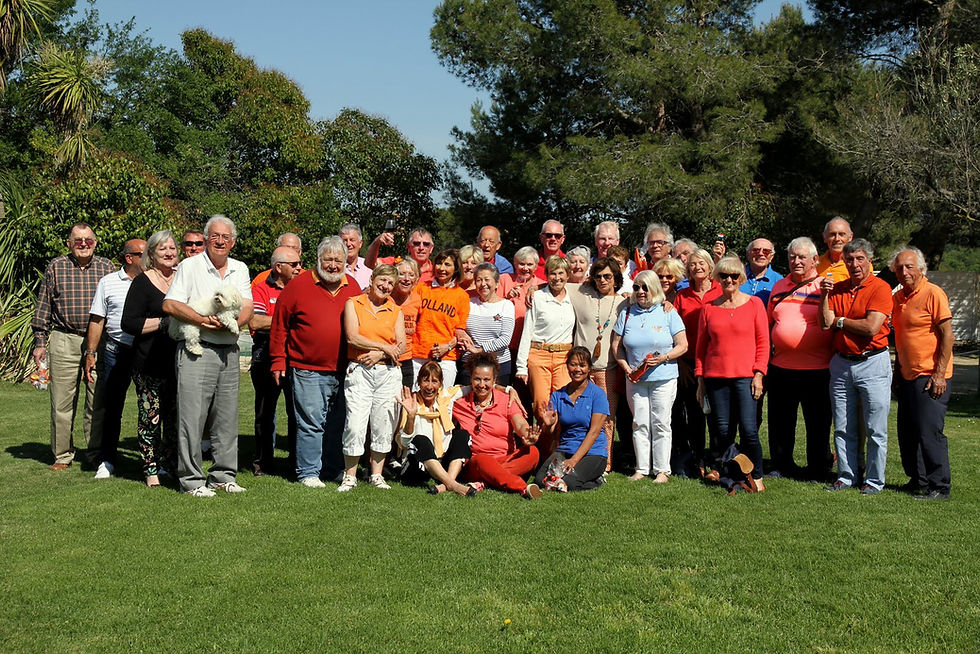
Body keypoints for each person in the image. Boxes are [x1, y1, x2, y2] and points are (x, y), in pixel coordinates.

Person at [163, 215, 254, 496]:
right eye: (214, 236)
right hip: (197, 350)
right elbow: (170, 304)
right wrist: (201, 321)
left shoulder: (240, 269)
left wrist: (235, 324)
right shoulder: (190, 266)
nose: (220, 241)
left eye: (225, 237)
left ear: (233, 241)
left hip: (229, 348)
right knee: (192, 418)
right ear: (206, 239)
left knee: (226, 418)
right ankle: (191, 481)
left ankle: (223, 476)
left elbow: (248, 305)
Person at [270, 236, 361, 488]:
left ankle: (332, 469)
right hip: (307, 368)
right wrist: (278, 361)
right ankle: (308, 472)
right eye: (328, 259)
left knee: (336, 422)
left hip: (345, 369)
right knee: (310, 423)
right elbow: (280, 327)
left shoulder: (352, 286)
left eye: (338, 260)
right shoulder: (298, 285)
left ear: (346, 261)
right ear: (318, 260)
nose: (333, 265)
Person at [32, 222, 115, 470]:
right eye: (77, 240)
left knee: (96, 399)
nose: (83, 244)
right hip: (64, 338)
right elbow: (43, 306)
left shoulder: (106, 267)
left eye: (88, 240)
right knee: (61, 401)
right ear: (69, 243)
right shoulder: (56, 267)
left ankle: (95, 454)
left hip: (98, 340)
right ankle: (62, 455)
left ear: (95, 242)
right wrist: (39, 343)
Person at [820, 238, 892, 495]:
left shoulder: (880, 288)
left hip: (872, 362)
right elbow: (825, 323)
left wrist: (840, 320)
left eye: (860, 259)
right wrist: (825, 295)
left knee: (875, 427)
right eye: (849, 260)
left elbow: (871, 328)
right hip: (841, 363)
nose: (854, 264)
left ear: (870, 261)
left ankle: (873, 480)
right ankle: (847, 476)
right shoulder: (837, 288)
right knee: (842, 425)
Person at [695, 256, 769, 490]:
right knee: (722, 430)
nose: (729, 280)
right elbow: (701, 348)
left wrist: (759, 374)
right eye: (724, 275)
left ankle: (756, 474)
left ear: (741, 278)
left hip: (746, 377)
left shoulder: (755, 304)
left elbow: (763, 343)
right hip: (716, 378)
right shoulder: (708, 309)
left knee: (749, 429)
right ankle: (725, 470)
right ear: (717, 278)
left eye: (734, 276)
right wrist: (700, 379)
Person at [765, 237, 834, 480]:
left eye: (802, 257)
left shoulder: (824, 286)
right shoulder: (779, 287)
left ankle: (818, 467)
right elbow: (769, 322)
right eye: (792, 256)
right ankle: (781, 464)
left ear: (815, 260)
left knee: (818, 421)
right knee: (780, 421)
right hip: (782, 367)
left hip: (818, 368)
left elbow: (830, 322)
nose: (796, 261)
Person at [611, 271, 688, 483]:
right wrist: (625, 367)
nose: (640, 292)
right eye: (636, 287)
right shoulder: (626, 313)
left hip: (664, 377)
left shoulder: (668, 312)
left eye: (645, 287)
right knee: (639, 422)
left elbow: (683, 345)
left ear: (654, 288)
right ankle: (641, 468)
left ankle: (662, 470)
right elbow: (616, 346)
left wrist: (664, 357)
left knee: (661, 422)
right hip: (635, 379)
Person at [891, 246, 953, 500]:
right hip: (907, 375)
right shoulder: (898, 299)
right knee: (908, 432)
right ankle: (918, 479)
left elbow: (948, 336)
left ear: (921, 269)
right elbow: (900, 339)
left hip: (930, 375)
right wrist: (897, 373)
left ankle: (940, 486)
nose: (904, 271)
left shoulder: (933, 293)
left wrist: (939, 374)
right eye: (899, 267)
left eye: (909, 266)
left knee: (929, 432)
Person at [339, 265, 406, 492]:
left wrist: (381, 353)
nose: (385, 286)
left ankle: (376, 475)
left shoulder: (395, 310)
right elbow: (352, 336)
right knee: (355, 424)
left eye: (390, 283)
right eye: (383, 280)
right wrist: (384, 347)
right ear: (373, 278)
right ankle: (350, 475)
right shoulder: (354, 303)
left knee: (384, 424)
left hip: (387, 373)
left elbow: (402, 344)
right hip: (360, 371)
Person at [121, 230, 180, 486]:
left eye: (172, 248)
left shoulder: (183, 278)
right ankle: (151, 468)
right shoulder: (143, 282)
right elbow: (129, 323)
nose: (169, 253)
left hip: (179, 363)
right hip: (148, 363)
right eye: (162, 249)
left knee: (175, 418)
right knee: (151, 417)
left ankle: (172, 464)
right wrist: (163, 323)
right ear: (151, 255)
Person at [85, 238, 146, 479]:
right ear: (129, 257)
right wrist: (90, 353)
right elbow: (97, 319)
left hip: (145, 351)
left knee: (150, 409)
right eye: (144, 253)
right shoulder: (108, 282)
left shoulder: (153, 280)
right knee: (112, 408)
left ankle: (152, 460)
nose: (149, 257)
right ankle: (107, 460)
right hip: (116, 351)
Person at [567, 257, 627, 471]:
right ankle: (576, 455)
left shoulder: (624, 301)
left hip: (607, 369)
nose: (602, 280)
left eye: (607, 276)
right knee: (578, 415)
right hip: (579, 369)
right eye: (598, 276)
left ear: (615, 278)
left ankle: (605, 461)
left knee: (606, 416)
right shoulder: (580, 293)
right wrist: (529, 289)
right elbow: (552, 284)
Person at [457, 353, 543, 499]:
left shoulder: (506, 400)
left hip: (506, 459)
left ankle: (486, 482)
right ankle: (522, 487)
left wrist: (526, 433)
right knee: (482, 459)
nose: (482, 385)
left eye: (487, 380)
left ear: (494, 380)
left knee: (533, 452)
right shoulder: (459, 404)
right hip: (476, 464)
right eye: (477, 379)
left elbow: (520, 423)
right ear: (470, 379)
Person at [248, 246, 302, 477]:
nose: (300, 268)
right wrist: (291, 321)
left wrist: (276, 321)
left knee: (297, 413)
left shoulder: (304, 289)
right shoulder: (260, 289)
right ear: (278, 267)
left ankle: (296, 461)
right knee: (264, 413)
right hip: (265, 356)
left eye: (300, 263)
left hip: (296, 357)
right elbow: (255, 322)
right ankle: (262, 463)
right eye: (295, 265)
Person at [671, 248, 721, 477]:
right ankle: (699, 459)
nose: (697, 267)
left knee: (718, 414)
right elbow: (674, 333)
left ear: (710, 267)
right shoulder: (682, 296)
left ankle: (718, 460)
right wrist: (680, 363)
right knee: (695, 413)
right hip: (690, 363)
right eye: (692, 264)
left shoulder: (721, 291)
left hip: (717, 362)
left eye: (701, 263)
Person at [515, 255, 574, 446]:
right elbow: (528, 331)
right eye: (552, 274)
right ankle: (542, 450)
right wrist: (521, 366)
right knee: (541, 405)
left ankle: (560, 447)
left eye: (561, 273)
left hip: (564, 356)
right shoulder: (538, 297)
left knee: (562, 404)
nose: (557, 278)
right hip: (539, 354)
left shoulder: (574, 296)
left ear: (567, 275)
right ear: (546, 275)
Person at [534, 346, 610, 491]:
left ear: (589, 368)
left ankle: (597, 479)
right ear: (567, 366)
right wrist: (549, 424)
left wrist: (574, 460)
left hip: (593, 453)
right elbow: (551, 431)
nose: (577, 369)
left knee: (569, 482)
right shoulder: (558, 395)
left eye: (582, 365)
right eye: (573, 364)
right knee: (540, 480)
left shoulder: (598, 394)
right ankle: (568, 478)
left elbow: (594, 432)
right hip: (566, 449)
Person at [396, 361, 474, 496]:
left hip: (442, 462)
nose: (430, 386)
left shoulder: (445, 398)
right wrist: (411, 416)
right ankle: (454, 485)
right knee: (421, 440)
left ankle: (445, 485)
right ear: (419, 382)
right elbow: (404, 443)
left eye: (435, 381)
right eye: (426, 381)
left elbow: (476, 386)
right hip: (417, 465)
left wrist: (508, 389)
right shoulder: (412, 402)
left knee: (462, 435)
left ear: (441, 384)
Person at [410, 248, 470, 386]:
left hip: (445, 357)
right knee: (416, 399)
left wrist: (447, 347)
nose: (442, 268)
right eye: (439, 263)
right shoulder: (421, 288)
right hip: (418, 354)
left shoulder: (462, 296)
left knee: (442, 401)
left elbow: (460, 330)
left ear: (456, 269)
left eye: (447, 264)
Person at [457, 263, 515, 385]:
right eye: (479, 280)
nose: (483, 284)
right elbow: (457, 326)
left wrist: (479, 350)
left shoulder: (506, 305)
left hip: (499, 364)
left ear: (497, 283)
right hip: (469, 364)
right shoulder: (468, 303)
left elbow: (505, 339)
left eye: (487, 279)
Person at [391, 258, 421, 389]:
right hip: (385, 359)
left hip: (406, 360)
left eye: (411, 275)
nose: (406, 279)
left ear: (416, 279)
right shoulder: (386, 298)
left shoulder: (417, 300)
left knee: (405, 401)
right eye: (402, 274)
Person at [366, 227, 435, 284]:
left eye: (426, 244)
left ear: (431, 248)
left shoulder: (438, 272)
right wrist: (377, 242)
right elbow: (369, 264)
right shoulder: (396, 263)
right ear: (408, 246)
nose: (421, 248)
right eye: (416, 243)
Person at [741, 238, 783, 307]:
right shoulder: (736, 276)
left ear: (771, 257)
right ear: (748, 255)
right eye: (756, 250)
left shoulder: (779, 281)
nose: (761, 253)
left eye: (766, 251)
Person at [816, 217, 853, 283]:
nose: (837, 239)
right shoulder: (816, 264)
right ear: (824, 237)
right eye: (832, 234)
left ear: (850, 237)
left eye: (842, 234)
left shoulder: (859, 263)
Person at [339, 223, 372, 290]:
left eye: (352, 240)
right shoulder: (335, 268)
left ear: (360, 244)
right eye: (344, 240)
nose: (348, 244)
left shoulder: (368, 267)